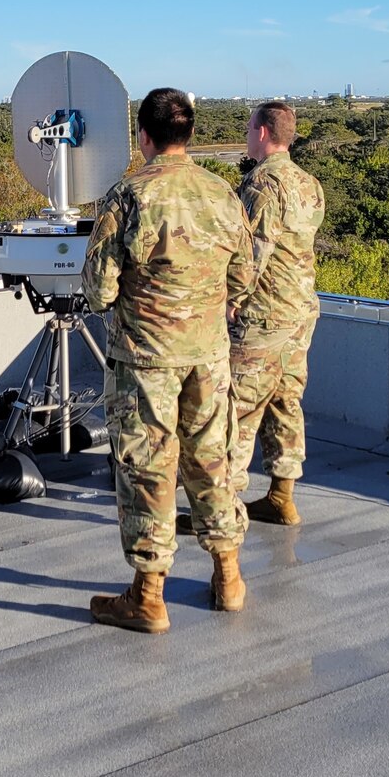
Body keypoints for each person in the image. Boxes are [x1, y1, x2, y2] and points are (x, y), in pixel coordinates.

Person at [82, 87, 255, 632]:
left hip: (146, 362)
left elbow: (98, 290)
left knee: (148, 469)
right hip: (209, 358)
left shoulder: (127, 197)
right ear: (191, 134)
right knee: (212, 460)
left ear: (144, 136)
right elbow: (244, 278)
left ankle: (148, 596)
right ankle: (228, 576)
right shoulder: (223, 195)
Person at [229, 100, 326, 525]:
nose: (247, 135)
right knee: (286, 400)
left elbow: (250, 255)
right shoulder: (310, 183)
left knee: (236, 409)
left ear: (264, 133)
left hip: (263, 316)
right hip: (300, 310)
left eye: (250, 128)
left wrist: (229, 299)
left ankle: (222, 509)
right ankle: (281, 496)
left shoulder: (262, 186)